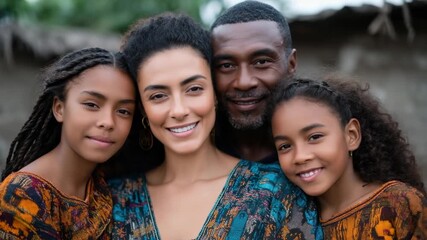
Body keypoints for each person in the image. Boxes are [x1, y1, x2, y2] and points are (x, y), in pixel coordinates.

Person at [107, 13, 322, 239]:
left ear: (215, 93)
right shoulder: (115, 200)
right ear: (142, 107)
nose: (179, 110)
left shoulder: (277, 193)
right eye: (159, 96)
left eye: (194, 89)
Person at [0, 47, 137, 239]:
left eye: (123, 111)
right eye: (91, 104)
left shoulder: (107, 183)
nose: (108, 122)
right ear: (59, 108)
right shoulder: (23, 196)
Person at [269, 76, 427, 239]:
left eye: (315, 137)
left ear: (351, 135)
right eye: (285, 146)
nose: (300, 157)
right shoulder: (288, 220)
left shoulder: (399, 204)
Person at [210, 0, 297, 163]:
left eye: (261, 62)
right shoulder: (192, 149)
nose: (244, 82)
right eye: (226, 65)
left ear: (291, 65)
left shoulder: (319, 149)